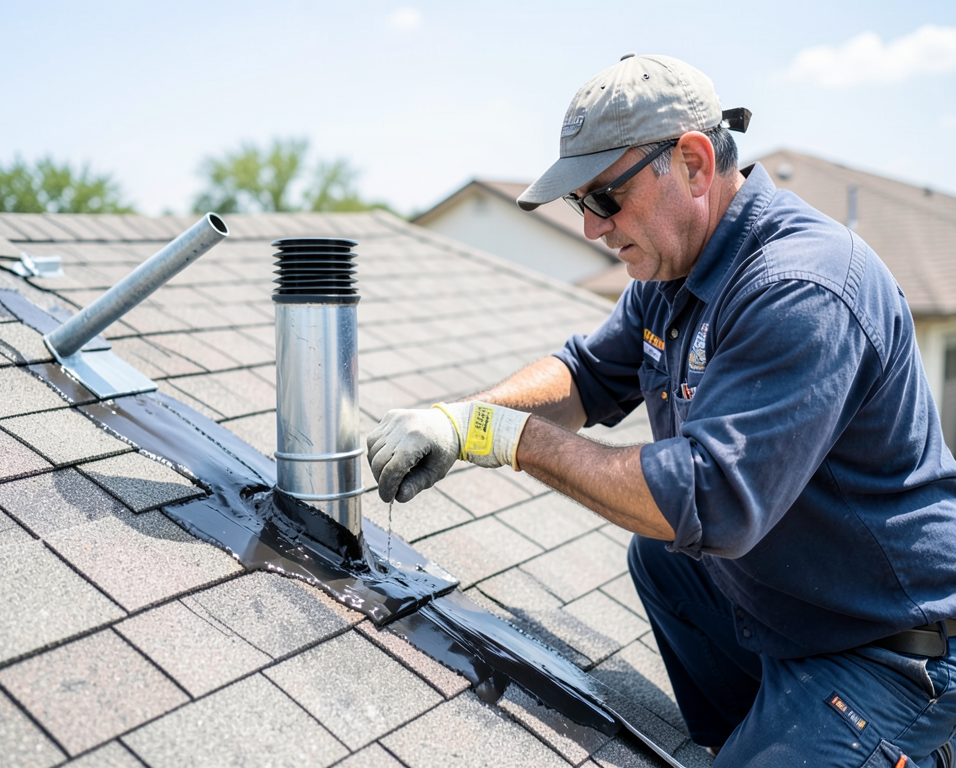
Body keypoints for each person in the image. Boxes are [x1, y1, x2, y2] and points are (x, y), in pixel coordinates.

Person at [366, 53, 956, 766]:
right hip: (800, 606)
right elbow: (584, 376)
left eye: (604, 198)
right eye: (578, 203)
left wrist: (510, 438)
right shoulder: (676, 270)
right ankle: (758, 737)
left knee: (675, 530)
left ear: (695, 163)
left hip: (888, 649)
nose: (591, 228)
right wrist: (455, 420)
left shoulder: (804, 288)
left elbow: (706, 499)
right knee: (664, 562)